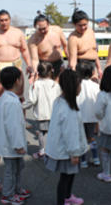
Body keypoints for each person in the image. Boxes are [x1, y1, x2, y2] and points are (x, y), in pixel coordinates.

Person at [0, 67, 31, 205]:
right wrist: (18, 145)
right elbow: (13, 126)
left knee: (17, 168)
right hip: (11, 144)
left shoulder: (6, 97)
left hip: (9, 143)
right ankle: (8, 195)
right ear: (18, 81)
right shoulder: (11, 101)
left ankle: (17, 190)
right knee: (11, 171)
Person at [45, 69, 88, 205]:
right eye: (79, 84)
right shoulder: (68, 109)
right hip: (67, 151)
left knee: (69, 175)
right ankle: (62, 200)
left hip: (63, 148)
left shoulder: (60, 101)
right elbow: (71, 133)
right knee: (65, 178)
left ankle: (68, 196)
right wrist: (74, 153)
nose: (81, 88)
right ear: (74, 87)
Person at [23, 61, 61, 159]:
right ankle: (54, 150)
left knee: (42, 133)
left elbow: (31, 100)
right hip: (54, 113)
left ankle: (42, 151)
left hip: (41, 114)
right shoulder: (55, 85)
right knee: (53, 132)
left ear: (38, 73)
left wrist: (22, 106)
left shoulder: (36, 85)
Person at [28, 12, 68, 80]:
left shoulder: (57, 30)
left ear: (48, 24)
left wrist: (70, 62)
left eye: (44, 28)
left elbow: (66, 46)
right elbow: (35, 59)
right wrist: (35, 72)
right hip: (44, 66)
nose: (43, 31)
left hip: (58, 63)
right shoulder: (33, 40)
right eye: (40, 29)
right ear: (35, 27)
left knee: (60, 87)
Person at [76, 61, 100, 168]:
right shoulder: (96, 86)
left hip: (80, 117)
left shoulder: (77, 85)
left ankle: (83, 161)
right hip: (92, 116)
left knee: (81, 139)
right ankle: (95, 158)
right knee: (91, 138)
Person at [68, 9, 103, 80]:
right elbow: (73, 61)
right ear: (74, 24)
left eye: (85, 24)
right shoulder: (73, 38)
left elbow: (94, 52)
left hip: (93, 67)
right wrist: (73, 74)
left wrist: (99, 68)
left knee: (95, 88)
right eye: (80, 25)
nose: (83, 27)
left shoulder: (90, 31)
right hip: (81, 68)